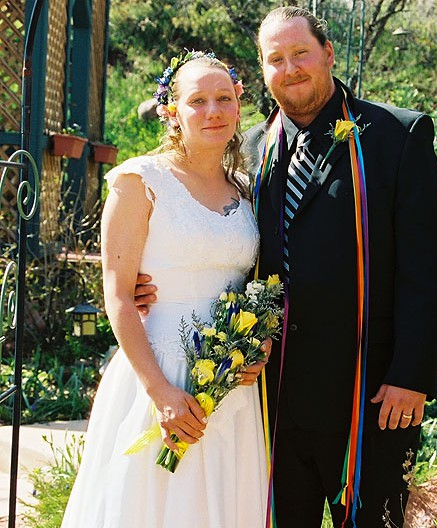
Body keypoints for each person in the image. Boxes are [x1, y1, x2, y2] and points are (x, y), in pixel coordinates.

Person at [135, 7, 437, 527]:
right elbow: (221, 244)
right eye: (275, 59)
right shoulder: (252, 150)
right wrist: (153, 286)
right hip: (271, 397)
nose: (290, 69)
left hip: (371, 393)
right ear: (261, 72)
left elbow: (430, 266)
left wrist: (411, 376)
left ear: (327, 54)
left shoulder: (397, 136)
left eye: (300, 53)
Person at [61, 51, 269, 528]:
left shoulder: (246, 188)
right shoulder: (139, 181)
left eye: (223, 98)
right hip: (158, 375)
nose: (212, 111)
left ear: (239, 104)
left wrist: (259, 345)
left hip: (229, 381)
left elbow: (255, 284)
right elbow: (117, 295)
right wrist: (162, 394)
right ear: (171, 110)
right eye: (197, 101)